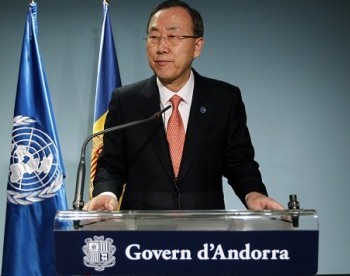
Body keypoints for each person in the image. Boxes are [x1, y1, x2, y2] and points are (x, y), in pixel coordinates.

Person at [84, 0, 284, 211]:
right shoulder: (126, 101)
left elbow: (239, 162)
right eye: (154, 37)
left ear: (197, 46)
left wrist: (253, 193)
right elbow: (111, 165)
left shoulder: (224, 99)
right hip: (142, 236)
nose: (161, 47)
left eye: (172, 37)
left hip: (204, 234)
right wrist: (107, 193)